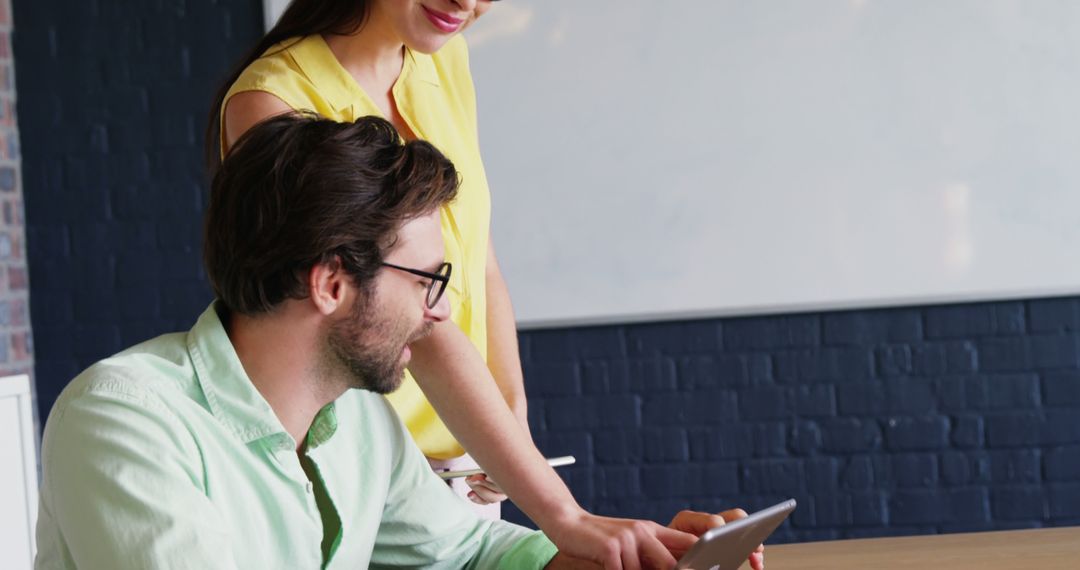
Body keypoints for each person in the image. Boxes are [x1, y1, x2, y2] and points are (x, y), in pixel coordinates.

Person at [35, 114, 764, 570]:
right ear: (330, 284)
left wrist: (628, 562)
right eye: (426, 279)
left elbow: (471, 553)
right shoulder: (122, 420)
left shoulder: (354, 421)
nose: (439, 312)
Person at [206, 0, 700, 565]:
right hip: (364, 478)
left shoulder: (442, 61)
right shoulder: (271, 101)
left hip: (467, 474)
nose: (468, 3)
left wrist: (511, 423)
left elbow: (475, 260)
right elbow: (407, 316)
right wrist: (562, 513)